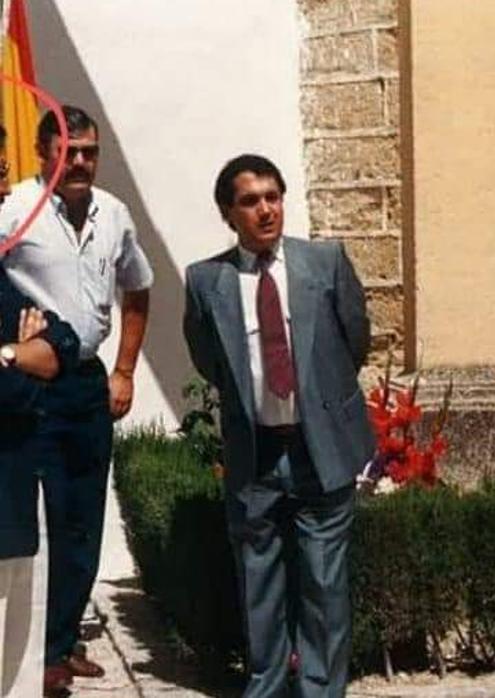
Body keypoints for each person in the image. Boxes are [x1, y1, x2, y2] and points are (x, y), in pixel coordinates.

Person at [183, 154, 374, 697]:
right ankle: (265, 689)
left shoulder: (325, 263)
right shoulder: (206, 282)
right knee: (259, 587)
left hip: (320, 450)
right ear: (228, 213)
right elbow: (209, 360)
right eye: (250, 201)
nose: (265, 210)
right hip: (256, 454)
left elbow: (353, 342)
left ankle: (319, 691)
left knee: (323, 585)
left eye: (273, 196)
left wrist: (319, 405)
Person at [0, 106, 153, 688]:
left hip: (88, 384)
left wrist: (126, 370)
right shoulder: (15, 209)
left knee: (81, 516)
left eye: (89, 150)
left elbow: (138, 289)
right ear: (44, 154)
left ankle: (59, 644)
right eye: (68, 150)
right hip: (30, 383)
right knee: (28, 517)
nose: (80, 161)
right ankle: (24, 649)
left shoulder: (114, 214)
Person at [0, 277, 80, 698]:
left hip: (14, 497)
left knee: (19, 664)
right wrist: (28, 366)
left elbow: (63, 341)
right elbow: (14, 390)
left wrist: (10, 352)